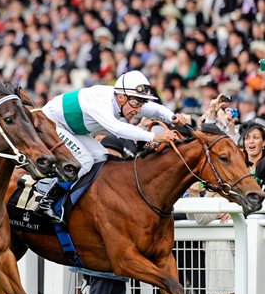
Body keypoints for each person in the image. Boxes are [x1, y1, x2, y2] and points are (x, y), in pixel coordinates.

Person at [35, 70, 188, 222]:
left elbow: (154, 109)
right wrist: (155, 136)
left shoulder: (126, 100)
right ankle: (47, 201)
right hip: (52, 122)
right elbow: (118, 129)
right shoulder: (101, 102)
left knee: (102, 158)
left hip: (73, 128)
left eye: (141, 103)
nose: (138, 110)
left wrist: (172, 117)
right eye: (136, 103)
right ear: (121, 97)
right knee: (86, 160)